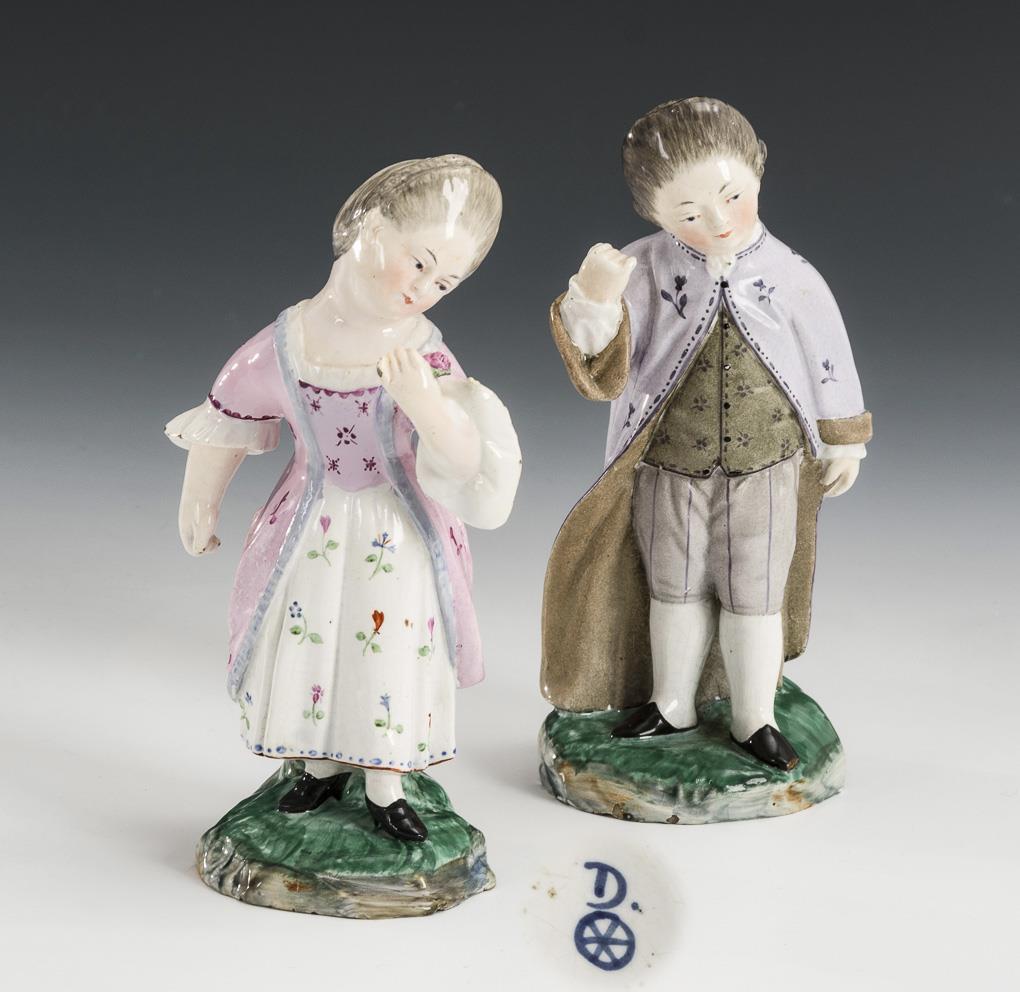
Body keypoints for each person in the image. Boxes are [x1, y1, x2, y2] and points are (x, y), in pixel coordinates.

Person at [167, 156, 521, 841]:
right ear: (369, 226)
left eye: (443, 282)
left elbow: (466, 457)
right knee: (313, 639)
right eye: (418, 263)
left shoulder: (424, 354)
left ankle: (386, 783)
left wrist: (424, 402)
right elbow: (230, 418)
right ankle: (320, 765)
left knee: (386, 648)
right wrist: (199, 503)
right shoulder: (285, 344)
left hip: (398, 530)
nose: (423, 289)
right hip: (312, 524)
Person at [542, 98, 871, 770]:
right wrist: (594, 298)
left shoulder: (792, 275)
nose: (718, 222)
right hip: (669, 464)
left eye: (732, 197)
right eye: (689, 214)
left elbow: (828, 356)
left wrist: (844, 437)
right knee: (673, 587)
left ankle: (755, 716)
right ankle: (672, 703)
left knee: (756, 594)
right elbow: (602, 368)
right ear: (654, 214)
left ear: (757, 172)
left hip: (767, 465)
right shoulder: (642, 268)